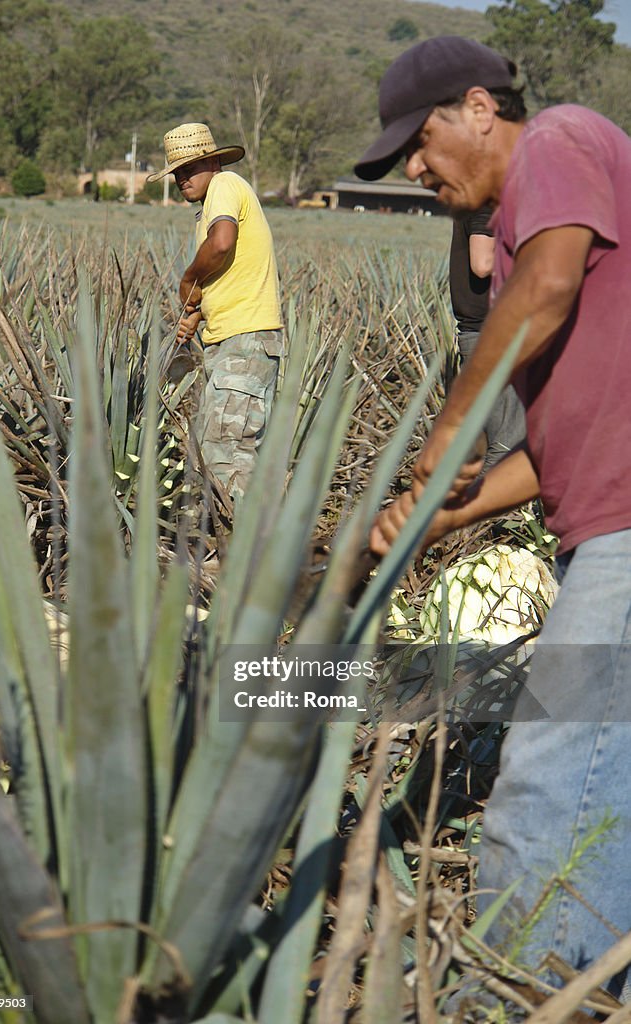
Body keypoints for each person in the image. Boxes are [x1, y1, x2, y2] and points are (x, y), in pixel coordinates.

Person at [355, 35, 631, 998]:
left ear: (480, 107)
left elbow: (547, 285)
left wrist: (450, 422)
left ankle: (519, 1003)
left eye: (420, 143)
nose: (417, 169)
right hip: (605, 525)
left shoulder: (557, 137)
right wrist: (433, 515)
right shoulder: (523, 237)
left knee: (551, 783)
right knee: (607, 794)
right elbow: (550, 461)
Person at [147, 122, 284, 503]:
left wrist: (189, 278)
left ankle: (257, 554)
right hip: (235, 336)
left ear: (212, 162)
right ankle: (238, 553)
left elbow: (222, 244)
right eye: (177, 172)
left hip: (246, 339)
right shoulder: (213, 203)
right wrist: (199, 309)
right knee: (216, 448)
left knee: (228, 451)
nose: (181, 179)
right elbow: (235, 271)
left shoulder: (225, 185)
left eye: (189, 169)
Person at [450, 205, 525, 469]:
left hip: (488, 335)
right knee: (506, 447)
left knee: (496, 446)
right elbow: (482, 264)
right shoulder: (489, 204)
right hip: (493, 336)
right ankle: (491, 509)